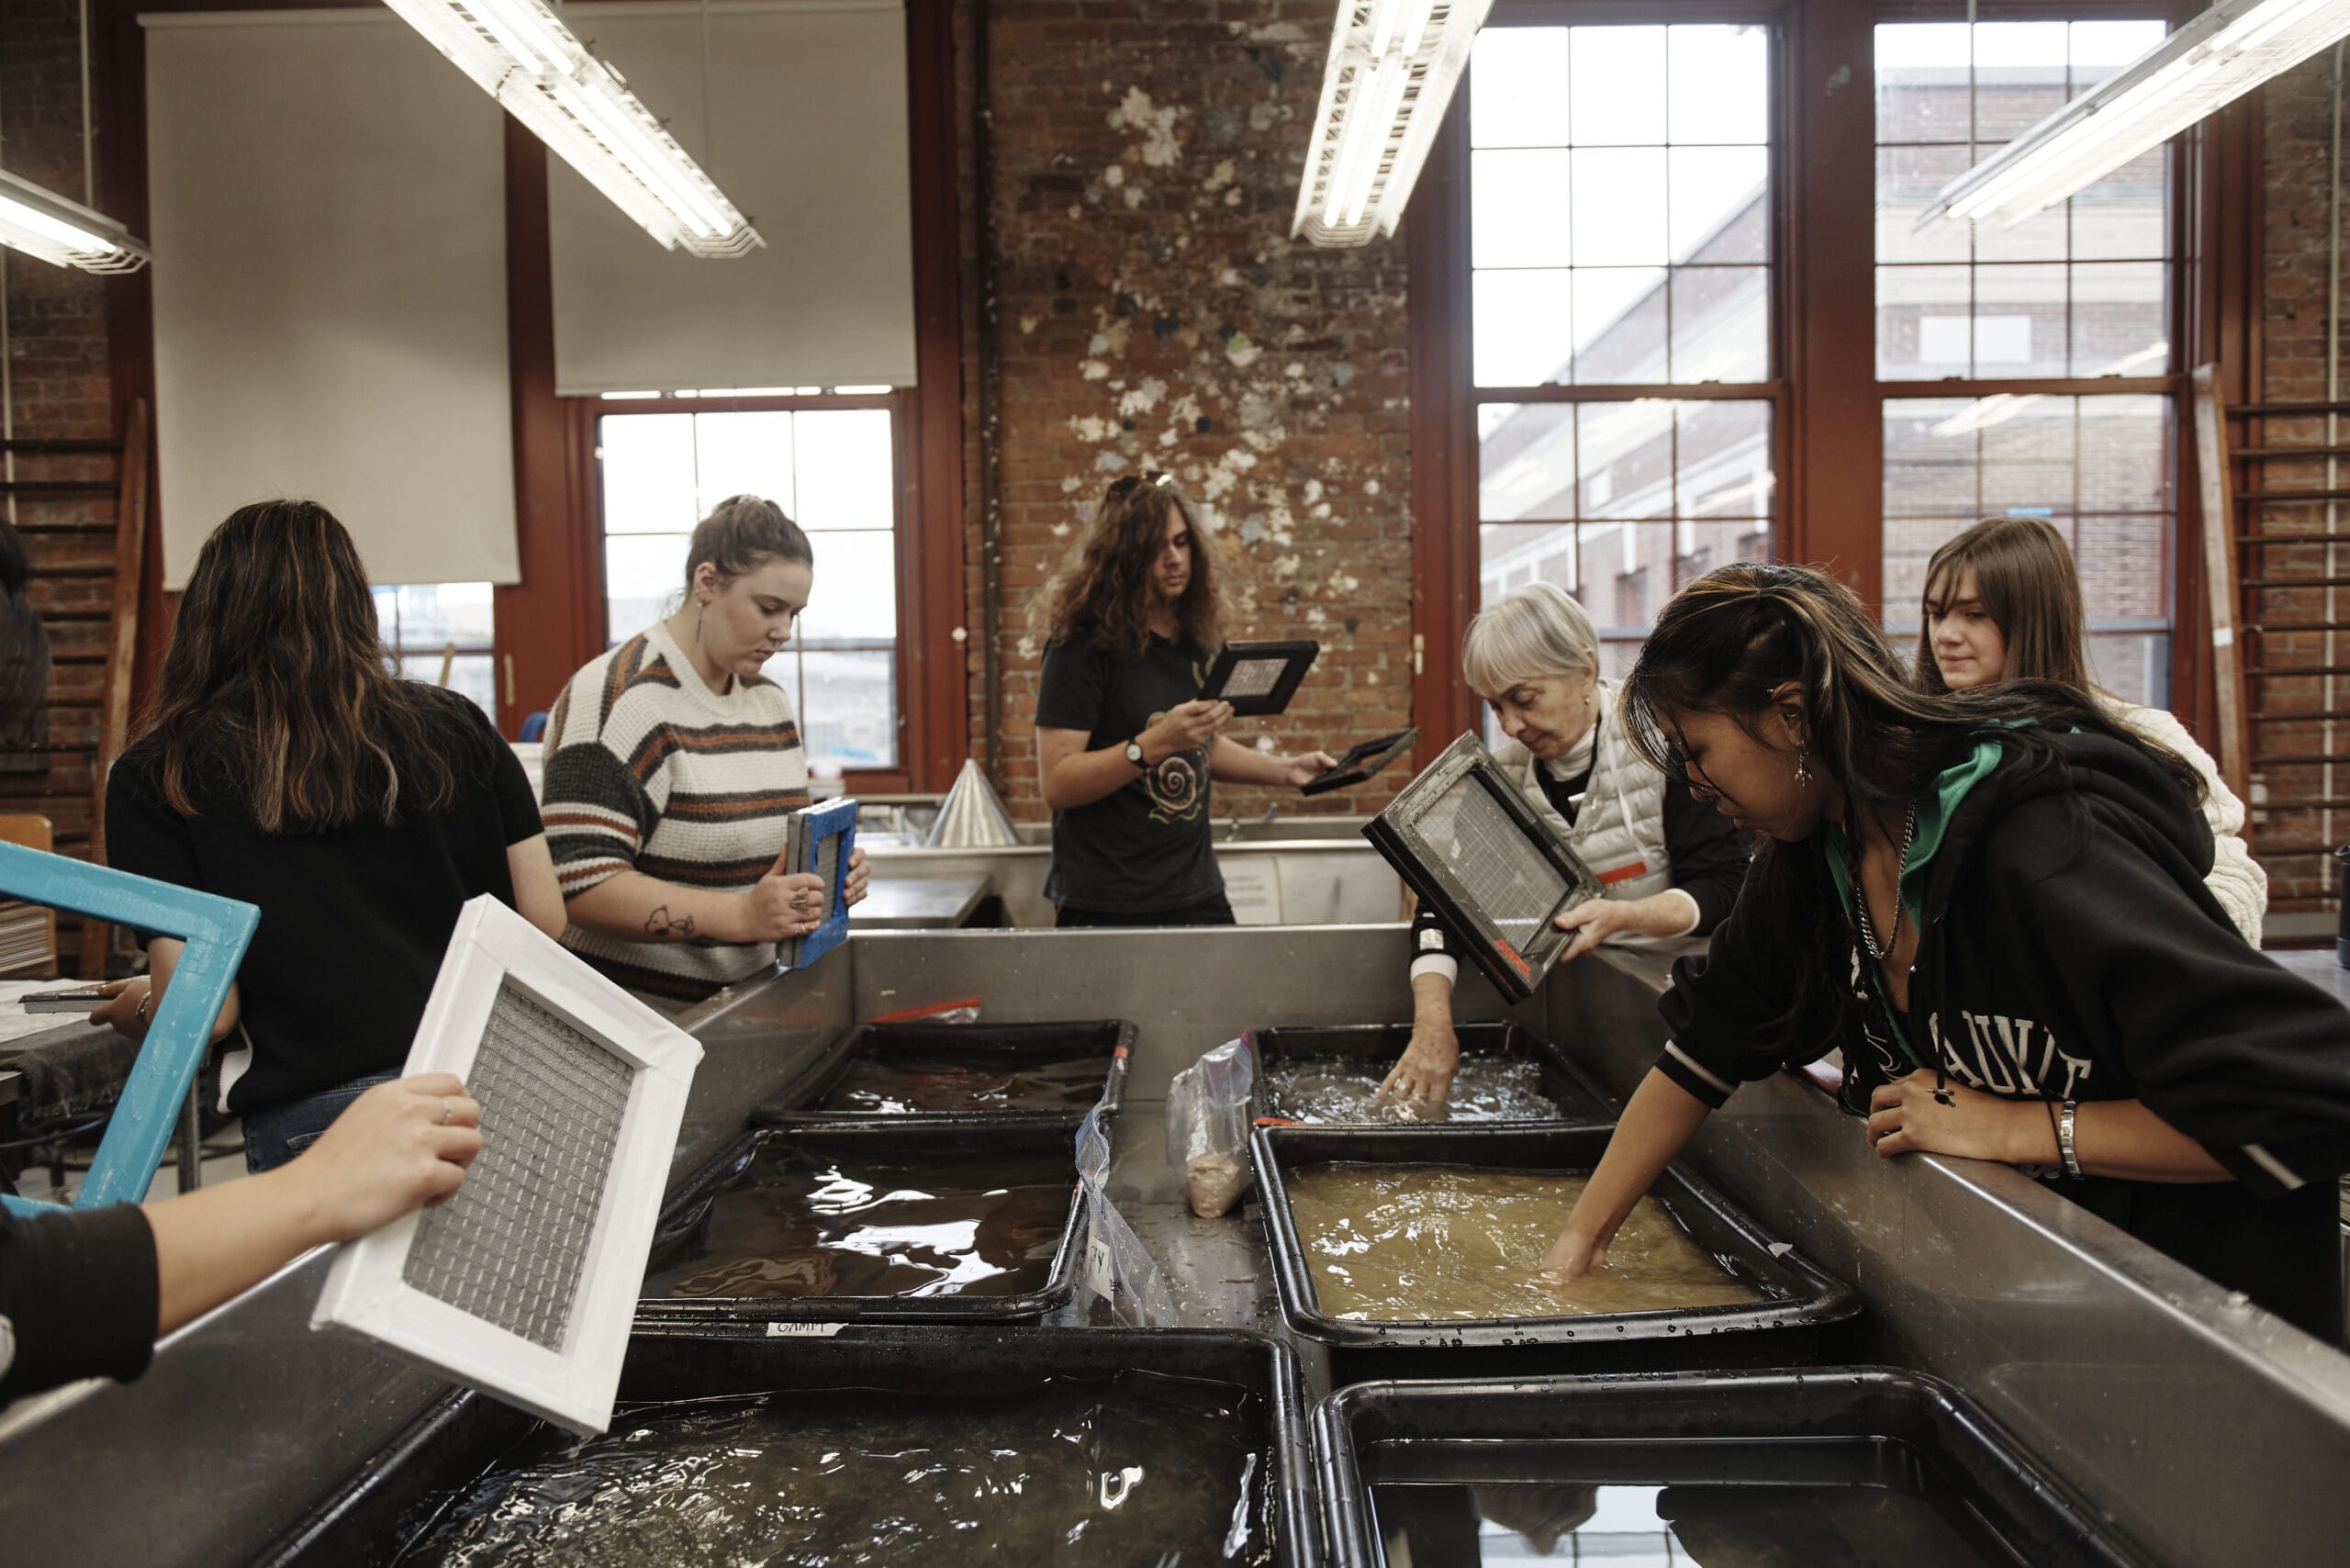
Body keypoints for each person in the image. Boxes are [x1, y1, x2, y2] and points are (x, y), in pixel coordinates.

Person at [1538, 563, 2350, 1338]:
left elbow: (2304, 1102)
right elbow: (1699, 1055)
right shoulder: (1817, 855)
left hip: (2216, 1317)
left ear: (1792, 715)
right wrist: (1574, 1251)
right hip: (2070, 1299)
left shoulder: (2034, 842)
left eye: (1698, 752)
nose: (1697, 788)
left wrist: (2022, 1128)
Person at [95, 501, 564, 1172]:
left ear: (206, 618)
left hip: (326, 1124)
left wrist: (141, 1003)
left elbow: (206, 1012)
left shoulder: (158, 774)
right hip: (488, 1092)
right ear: (354, 605)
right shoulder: (459, 725)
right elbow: (543, 919)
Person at [1380, 583, 1751, 1110]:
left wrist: (1626, 916)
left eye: (1524, 699)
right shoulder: (1501, 779)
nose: (1509, 724)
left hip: (1689, 1007)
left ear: (1583, 668)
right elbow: (1447, 910)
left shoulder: (1665, 740)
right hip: (1593, 1010)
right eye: (1495, 705)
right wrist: (1433, 1025)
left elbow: (1727, 889)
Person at [543, 495, 868, 1007]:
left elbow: (774, 856)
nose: (783, 632)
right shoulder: (620, 701)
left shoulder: (768, 702)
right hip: (634, 1027)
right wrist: (741, 918)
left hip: (738, 1014)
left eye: (793, 613)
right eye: (768, 608)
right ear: (707, 582)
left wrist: (824, 875)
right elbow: (577, 886)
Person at [1, 1074, 480, 1405]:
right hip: (408, 1108)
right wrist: (316, 1187)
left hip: (329, 1111)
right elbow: (27, 1297)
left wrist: (316, 1186)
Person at [1917, 514, 2266, 944]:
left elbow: (2232, 880)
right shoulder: (1914, 744)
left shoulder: (2143, 735)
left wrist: (2148, 956)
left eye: (1974, 614)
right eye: (1936, 614)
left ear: (2033, 619)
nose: (1946, 635)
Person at [1031, 472, 1335, 926]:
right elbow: (1057, 783)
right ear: (1124, 556)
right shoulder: (1080, 646)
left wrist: (1287, 771)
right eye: (1156, 547)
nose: (1173, 559)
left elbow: (1199, 743)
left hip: (1195, 890)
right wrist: (1152, 743)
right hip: (1107, 898)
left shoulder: (1193, 640)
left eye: (1181, 542)